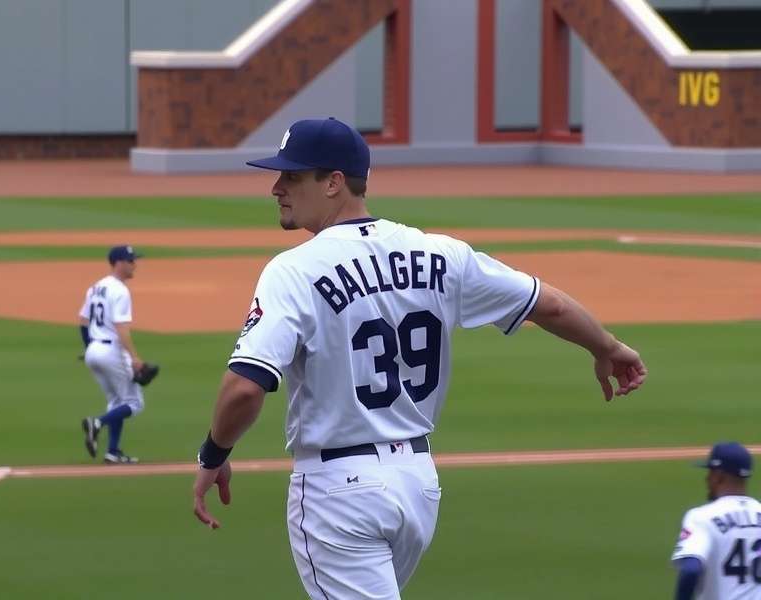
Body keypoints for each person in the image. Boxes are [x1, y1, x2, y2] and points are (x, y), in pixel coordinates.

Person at [192, 117, 647, 599]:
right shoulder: (440, 253)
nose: (276, 187)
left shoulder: (294, 270)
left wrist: (214, 452)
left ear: (333, 183)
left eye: (292, 176)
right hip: (417, 486)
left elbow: (245, 386)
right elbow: (546, 303)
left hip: (338, 493)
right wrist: (607, 347)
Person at [79, 245, 146, 465]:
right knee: (134, 403)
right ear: (117, 263)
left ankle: (113, 452)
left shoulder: (96, 287)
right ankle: (97, 423)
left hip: (93, 350)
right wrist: (134, 358)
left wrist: (89, 347)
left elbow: (83, 320)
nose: (134, 264)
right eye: (130, 260)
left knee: (117, 402)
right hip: (111, 351)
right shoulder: (120, 290)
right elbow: (121, 327)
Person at [671, 442, 760, 600]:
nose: (707, 479)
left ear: (719, 476)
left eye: (710, 473)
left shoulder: (702, 517)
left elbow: (691, 569)